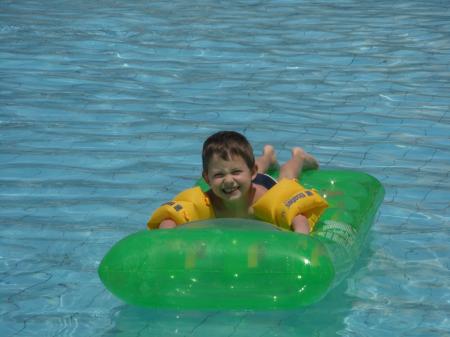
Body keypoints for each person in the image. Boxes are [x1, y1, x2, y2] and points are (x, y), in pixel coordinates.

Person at [148, 131, 327, 234]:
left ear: (252, 173)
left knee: (286, 177)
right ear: (207, 179)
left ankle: (299, 157)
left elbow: (298, 219)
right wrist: (167, 239)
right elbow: (170, 219)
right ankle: (268, 156)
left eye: (235, 172)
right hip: (248, 177)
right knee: (243, 165)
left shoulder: (264, 199)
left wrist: (301, 242)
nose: (228, 181)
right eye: (218, 175)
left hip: (266, 184)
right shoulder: (207, 203)